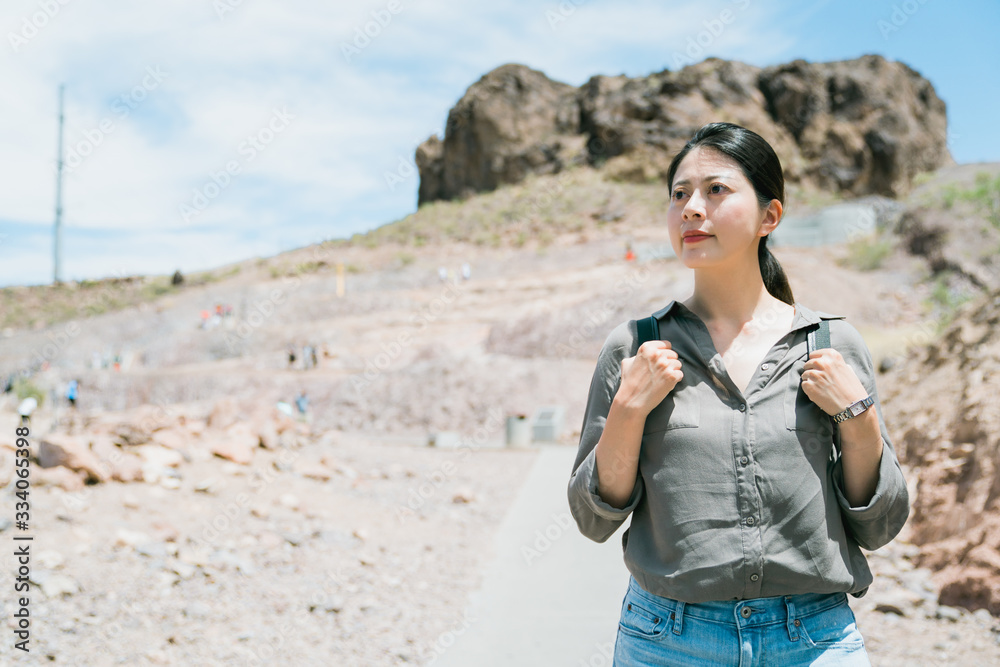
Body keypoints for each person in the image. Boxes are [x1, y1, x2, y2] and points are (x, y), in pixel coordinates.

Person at [567, 122, 909, 666]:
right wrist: (629, 410)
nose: (691, 209)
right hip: (667, 642)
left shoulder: (831, 344)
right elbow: (593, 520)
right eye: (679, 194)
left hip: (814, 641)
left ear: (769, 217)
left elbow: (879, 524)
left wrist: (858, 416)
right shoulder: (634, 348)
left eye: (716, 190)